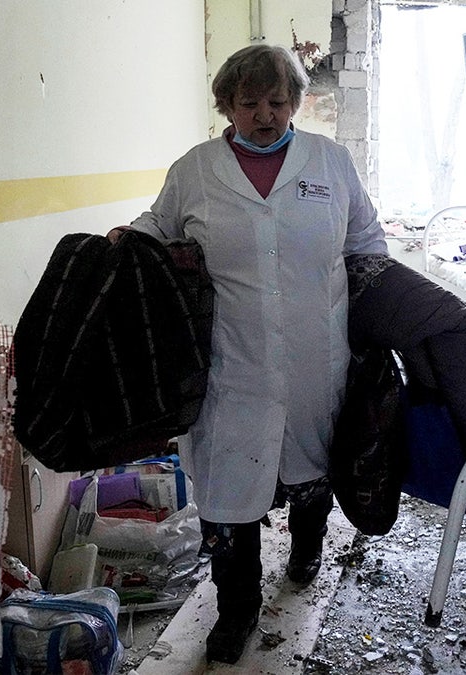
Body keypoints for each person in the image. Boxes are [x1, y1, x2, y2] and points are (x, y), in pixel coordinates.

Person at [115, 44, 387, 664]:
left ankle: (307, 550)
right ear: (226, 106)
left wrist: (380, 325)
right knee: (227, 496)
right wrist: (124, 239)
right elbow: (158, 227)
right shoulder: (196, 169)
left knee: (315, 473)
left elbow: (369, 241)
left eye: (278, 100)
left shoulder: (331, 161)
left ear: (295, 102)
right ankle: (235, 611)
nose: (265, 114)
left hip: (320, 357)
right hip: (230, 364)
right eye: (249, 102)